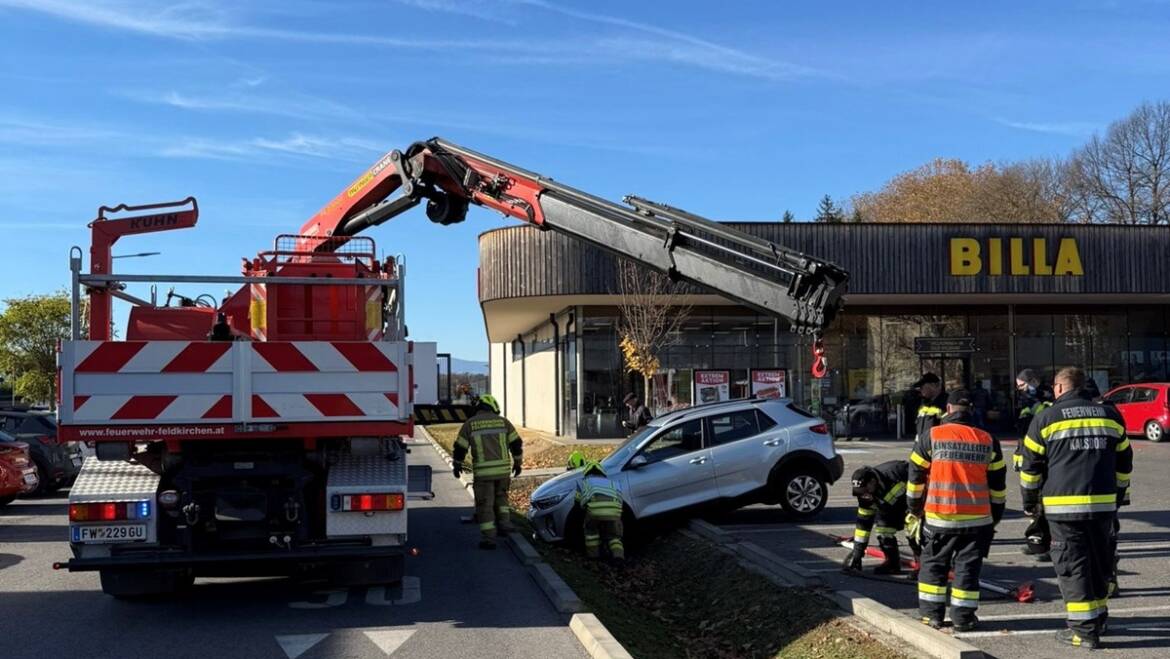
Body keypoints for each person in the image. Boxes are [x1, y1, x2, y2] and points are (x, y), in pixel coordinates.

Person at [1020, 367, 1132, 649]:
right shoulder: (1110, 415)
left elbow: (1030, 468)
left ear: (1059, 388)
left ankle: (1084, 632)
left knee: (1073, 567)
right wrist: (1117, 496)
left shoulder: (1046, 418)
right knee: (1099, 564)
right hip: (1103, 507)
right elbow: (1124, 462)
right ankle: (1099, 620)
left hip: (1063, 509)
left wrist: (1030, 503)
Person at [907, 389, 1006, 632]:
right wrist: (995, 517)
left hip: (940, 517)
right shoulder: (987, 439)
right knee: (967, 570)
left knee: (934, 567)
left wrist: (914, 508)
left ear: (948, 410)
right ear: (970, 410)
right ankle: (963, 619)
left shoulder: (931, 436)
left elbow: (915, 476)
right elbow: (998, 486)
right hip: (978, 519)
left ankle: (932, 616)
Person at [452, 394, 523, 550]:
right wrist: (518, 463)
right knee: (502, 500)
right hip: (504, 472)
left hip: (484, 474)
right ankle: (505, 525)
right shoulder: (504, 422)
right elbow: (516, 444)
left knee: (485, 506)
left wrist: (457, 465)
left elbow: (460, 448)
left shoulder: (470, 424)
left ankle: (489, 539)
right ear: (493, 407)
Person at [842, 460, 919, 575]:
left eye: (866, 491)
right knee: (883, 530)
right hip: (893, 510)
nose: (864, 495)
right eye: (860, 493)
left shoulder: (896, 472)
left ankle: (922, 566)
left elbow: (921, 479)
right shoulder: (864, 496)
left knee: (913, 531)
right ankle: (892, 564)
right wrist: (857, 555)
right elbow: (863, 525)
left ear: (873, 481)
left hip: (916, 506)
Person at [1013, 369, 1055, 559]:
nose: (1020, 389)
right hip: (1028, 456)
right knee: (1034, 504)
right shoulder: (1027, 402)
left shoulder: (1047, 400)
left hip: (1042, 459)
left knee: (1042, 504)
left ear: (1033, 381)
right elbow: (1023, 434)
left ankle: (1046, 544)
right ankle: (1038, 541)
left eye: (1022, 385)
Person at [575, 460, 626, 561]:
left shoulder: (584, 482)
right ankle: (618, 556)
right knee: (614, 536)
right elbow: (621, 501)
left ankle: (594, 556)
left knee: (591, 532)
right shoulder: (613, 483)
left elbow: (577, 502)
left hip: (594, 511)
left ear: (586, 473)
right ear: (602, 472)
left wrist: (584, 511)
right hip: (614, 512)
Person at [912, 373, 948, 438]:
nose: (920, 389)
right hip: (923, 445)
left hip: (938, 445)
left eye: (922, 386)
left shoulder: (947, 403)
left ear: (933, 385)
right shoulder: (923, 404)